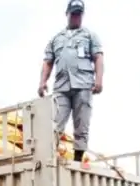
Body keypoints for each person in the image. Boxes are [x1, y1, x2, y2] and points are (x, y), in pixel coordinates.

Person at [38, 0, 104, 162]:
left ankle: (77, 159)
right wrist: (42, 82)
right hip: (62, 87)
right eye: (73, 14)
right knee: (55, 122)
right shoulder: (56, 38)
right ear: (67, 14)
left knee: (82, 124)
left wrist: (99, 80)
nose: (76, 17)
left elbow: (98, 57)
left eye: (79, 14)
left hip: (83, 85)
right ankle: (50, 157)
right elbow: (48, 61)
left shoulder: (89, 35)